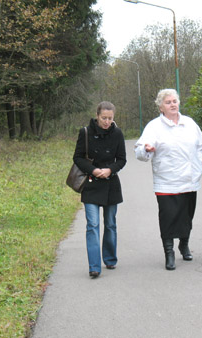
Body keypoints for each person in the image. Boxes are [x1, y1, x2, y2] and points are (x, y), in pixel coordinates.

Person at [134, 89, 202, 270]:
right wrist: (147, 149)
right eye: (168, 102)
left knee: (187, 216)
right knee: (168, 218)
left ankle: (184, 244)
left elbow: (200, 146)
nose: (173, 104)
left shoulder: (189, 124)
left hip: (189, 180)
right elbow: (139, 151)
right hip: (166, 181)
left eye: (175, 101)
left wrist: (200, 166)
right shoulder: (154, 127)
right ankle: (169, 252)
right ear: (161, 107)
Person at [72, 101, 127, 278]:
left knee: (110, 224)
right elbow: (78, 157)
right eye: (104, 118)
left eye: (110, 118)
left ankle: (110, 259)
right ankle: (94, 266)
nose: (106, 121)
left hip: (111, 184)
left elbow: (122, 159)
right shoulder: (86, 133)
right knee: (92, 225)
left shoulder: (117, 133)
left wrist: (110, 169)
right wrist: (94, 170)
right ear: (97, 116)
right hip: (91, 184)